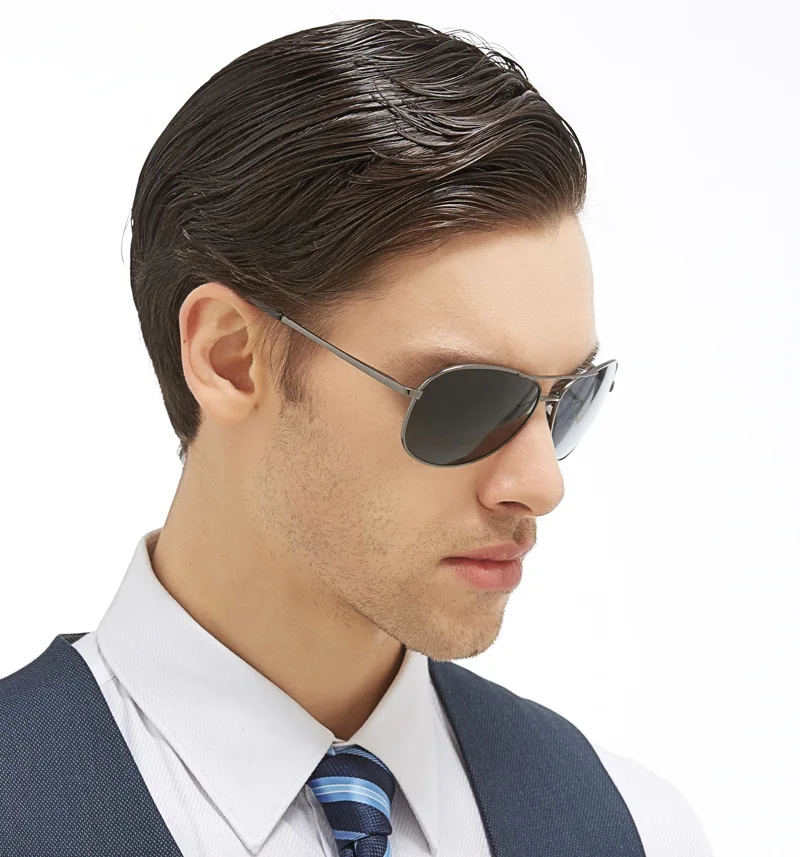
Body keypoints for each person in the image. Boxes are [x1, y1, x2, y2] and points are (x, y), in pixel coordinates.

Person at [0, 17, 715, 857]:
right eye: (467, 399)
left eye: (568, 398)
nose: (541, 483)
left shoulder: (636, 827)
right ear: (229, 358)